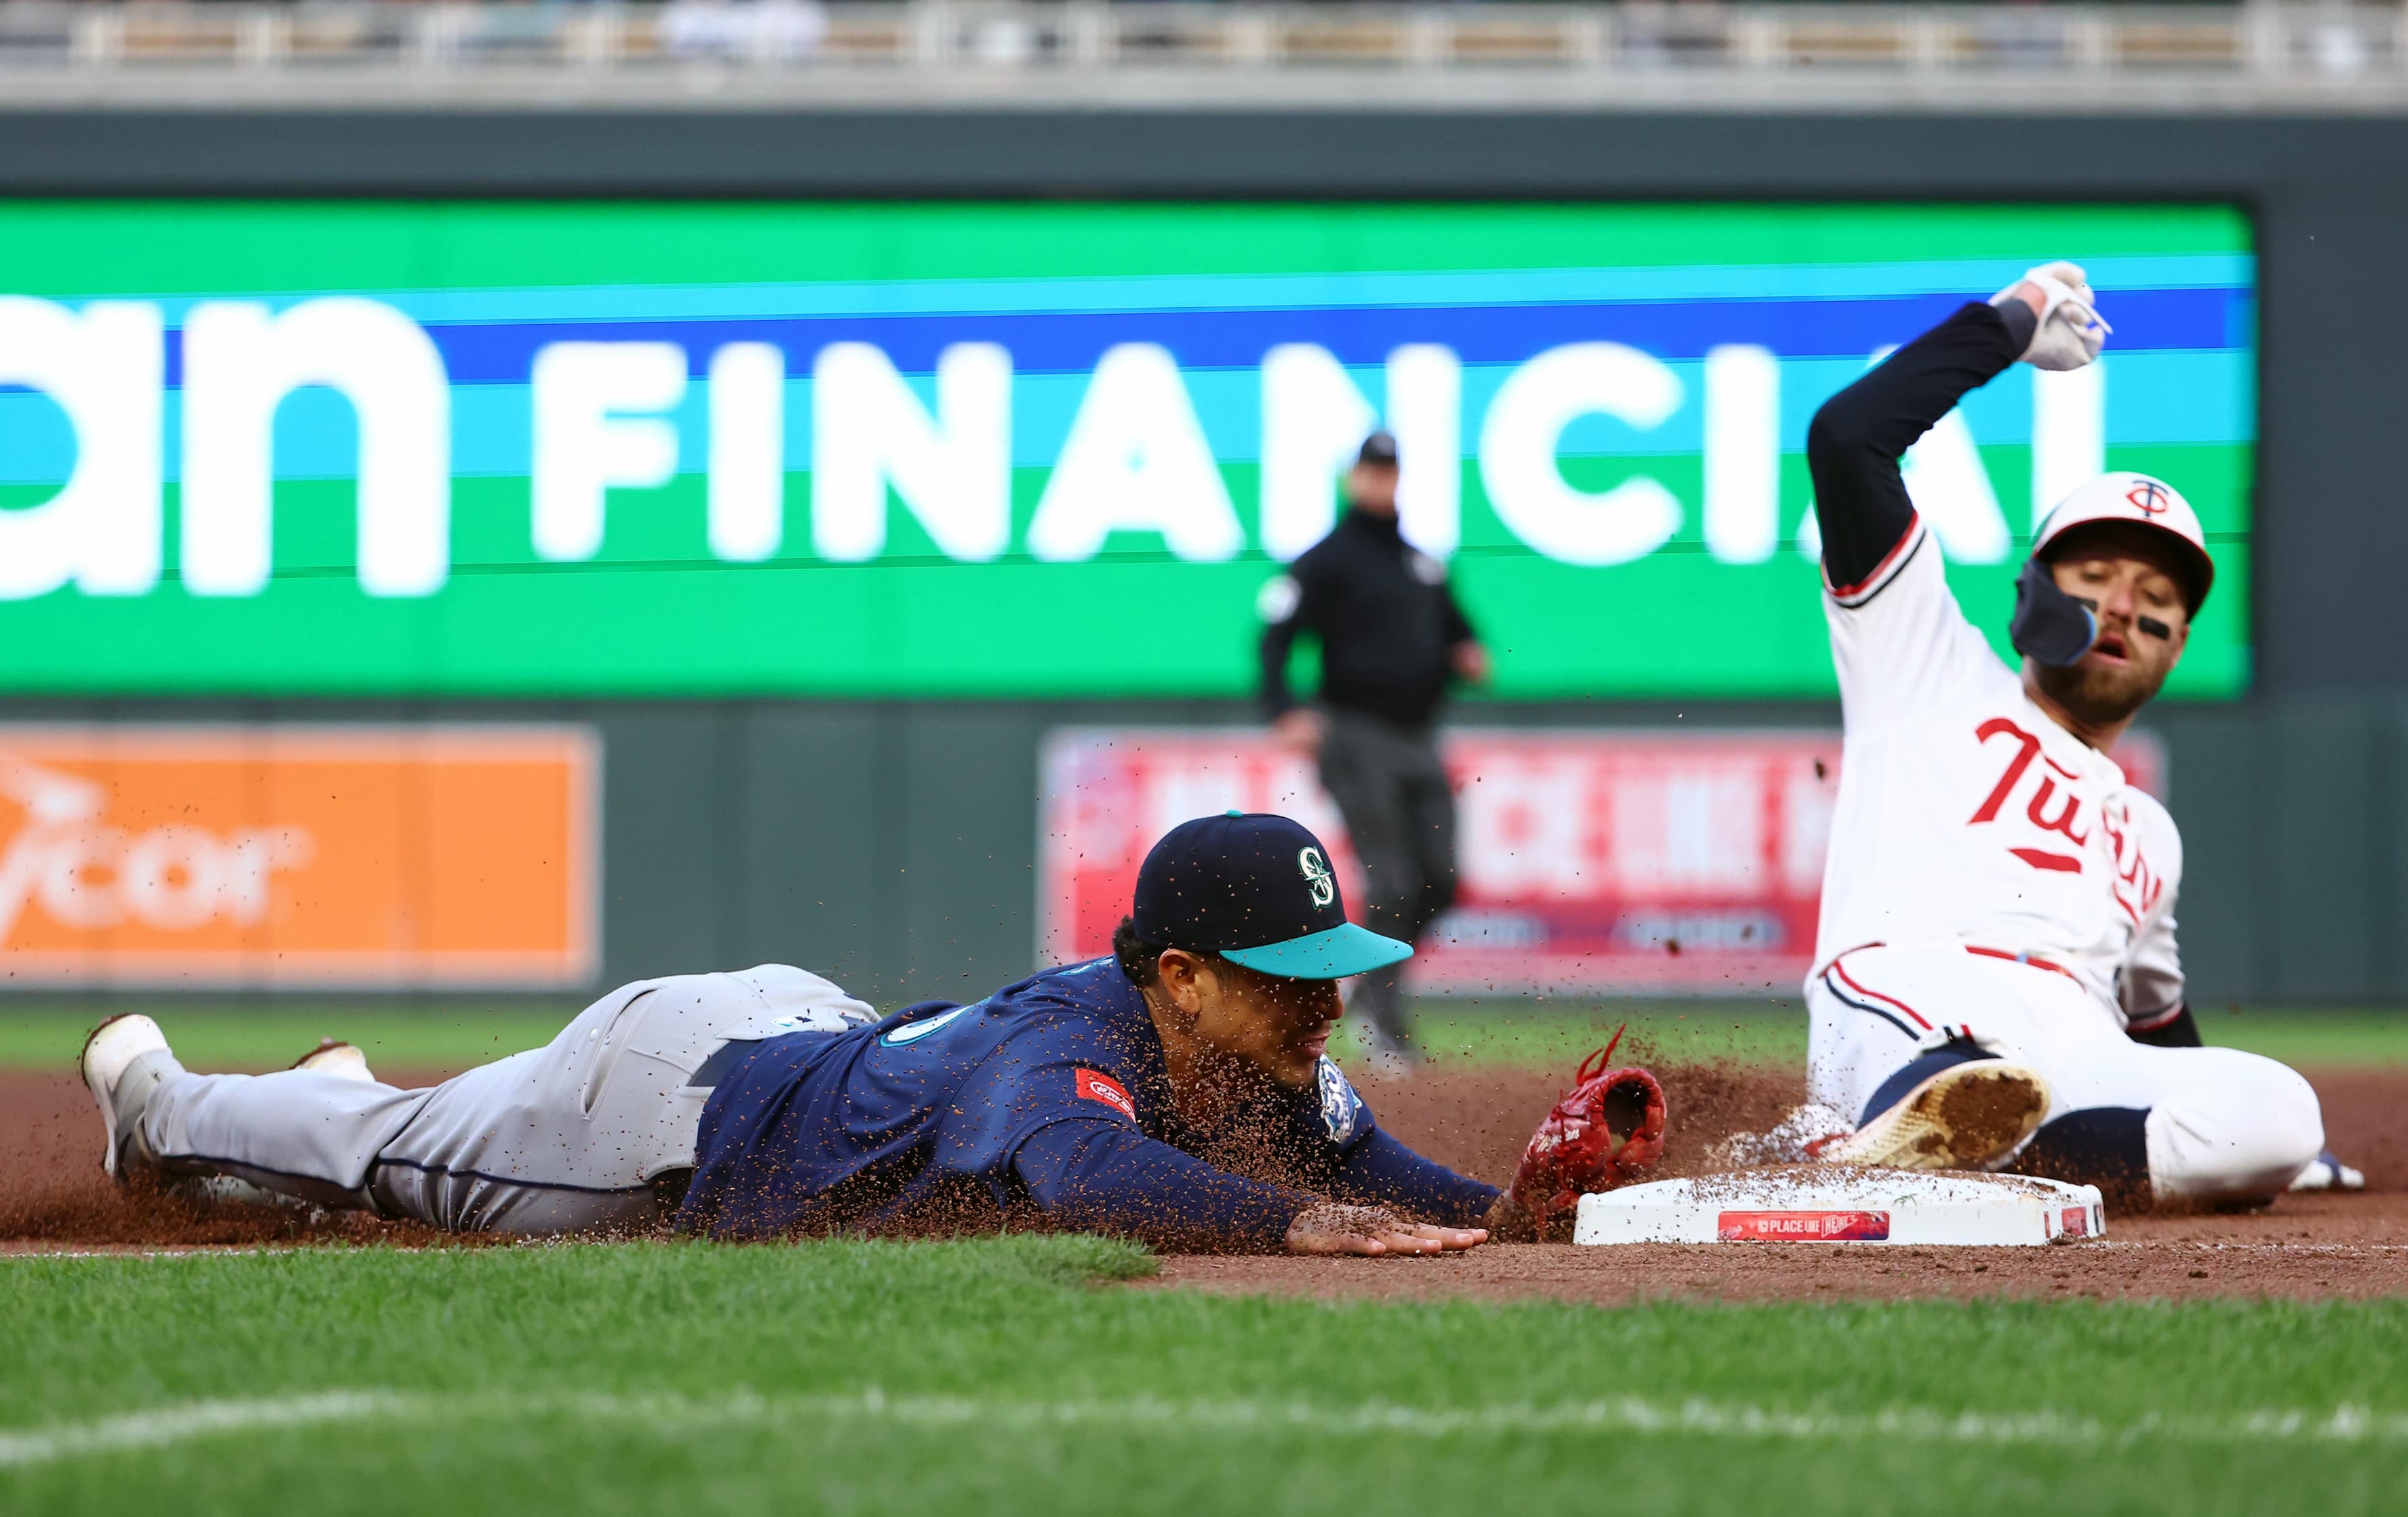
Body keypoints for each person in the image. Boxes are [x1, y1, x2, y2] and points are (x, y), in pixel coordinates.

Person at [79, 813, 1665, 1250]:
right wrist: (1307, 1229)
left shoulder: (1255, 1064)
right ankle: (154, 1091)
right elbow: (1082, 1177)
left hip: (803, 1035)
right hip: (662, 1115)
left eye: (1334, 964)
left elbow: (1385, 1173)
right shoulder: (1073, 1053)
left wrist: (1513, 1207)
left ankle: (360, 1097)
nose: (1327, 999)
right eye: (1287, 970)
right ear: (1179, 975)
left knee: (411, 1132)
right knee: (391, 1161)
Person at [1750, 259, 2359, 1207]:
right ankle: (1906, 1122)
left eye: (2155, 597)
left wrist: (2258, 1141)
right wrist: (2010, 322)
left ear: (2175, 644)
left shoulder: (2149, 834)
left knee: (2282, 1106)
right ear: (2032, 588)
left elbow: (2155, 1025)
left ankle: (1965, 1157)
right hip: (1910, 996)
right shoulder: (1925, 661)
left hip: (2076, 1044)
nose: (2125, 606)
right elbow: (1846, 439)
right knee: (1956, 1071)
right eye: (2098, 575)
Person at [1258, 431, 1490, 1070]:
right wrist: (1284, 708)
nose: (1381, 483)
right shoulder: (1327, 560)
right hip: (1355, 732)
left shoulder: (1422, 562)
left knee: (1440, 880)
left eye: (1391, 471)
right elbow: (1274, 636)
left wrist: (1466, 651)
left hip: (1418, 738)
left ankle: (1366, 996)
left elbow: (1458, 629)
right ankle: (1383, 1023)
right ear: (1352, 478)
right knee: (1392, 879)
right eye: (1372, 471)